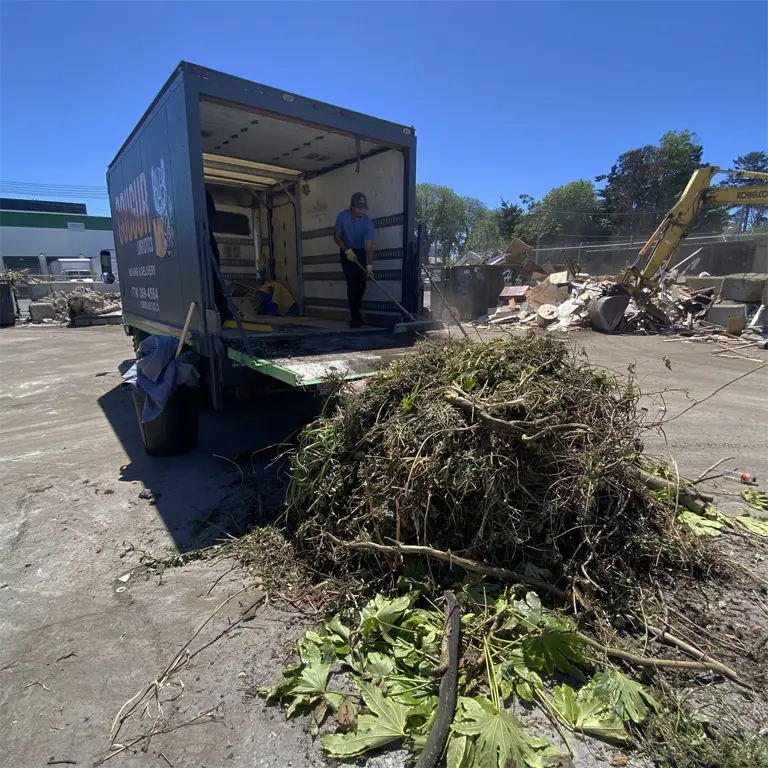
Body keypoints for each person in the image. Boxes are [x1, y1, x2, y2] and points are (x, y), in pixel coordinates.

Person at [333, 192, 374, 328]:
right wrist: (346, 250)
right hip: (346, 250)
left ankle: (356, 312)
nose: (360, 211)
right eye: (358, 208)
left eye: (362, 208)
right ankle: (355, 316)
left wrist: (369, 265)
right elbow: (336, 237)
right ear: (352, 206)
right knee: (352, 284)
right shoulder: (342, 217)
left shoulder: (367, 221)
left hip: (360, 251)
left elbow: (369, 246)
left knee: (362, 284)